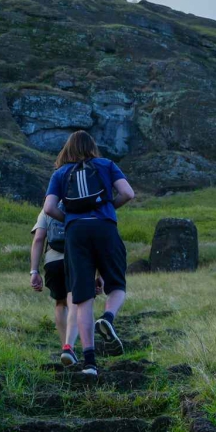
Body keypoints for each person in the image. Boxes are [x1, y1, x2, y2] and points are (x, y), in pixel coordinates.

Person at [41, 130, 134, 377]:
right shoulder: (107, 165)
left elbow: (49, 208)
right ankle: (108, 318)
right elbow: (128, 193)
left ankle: (90, 363)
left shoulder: (60, 173)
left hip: (75, 234)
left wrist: (70, 219)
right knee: (116, 285)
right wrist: (108, 209)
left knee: (82, 298)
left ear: (68, 149)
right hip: (104, 227)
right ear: (92, 146)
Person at [29, 200, 79, 366]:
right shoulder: (80, 203)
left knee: (60, 303)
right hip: (77, 258)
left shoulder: (47, 209)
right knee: (75, 301)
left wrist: (34, 271)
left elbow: (38, 239)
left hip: (53, 260)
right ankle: (71, 346)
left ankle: (64, 345)